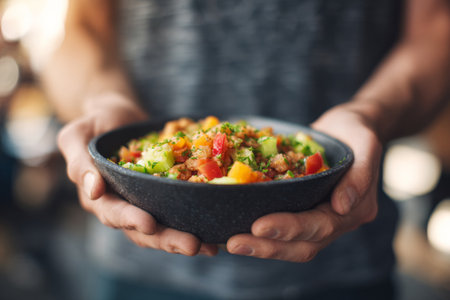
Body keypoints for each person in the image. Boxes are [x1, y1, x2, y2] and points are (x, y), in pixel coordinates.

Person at [41, 0, 450, 299]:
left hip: (344, 265)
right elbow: (81, 30)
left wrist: (371, 114)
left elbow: (436, 30)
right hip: (141, 262)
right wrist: (102, 99)